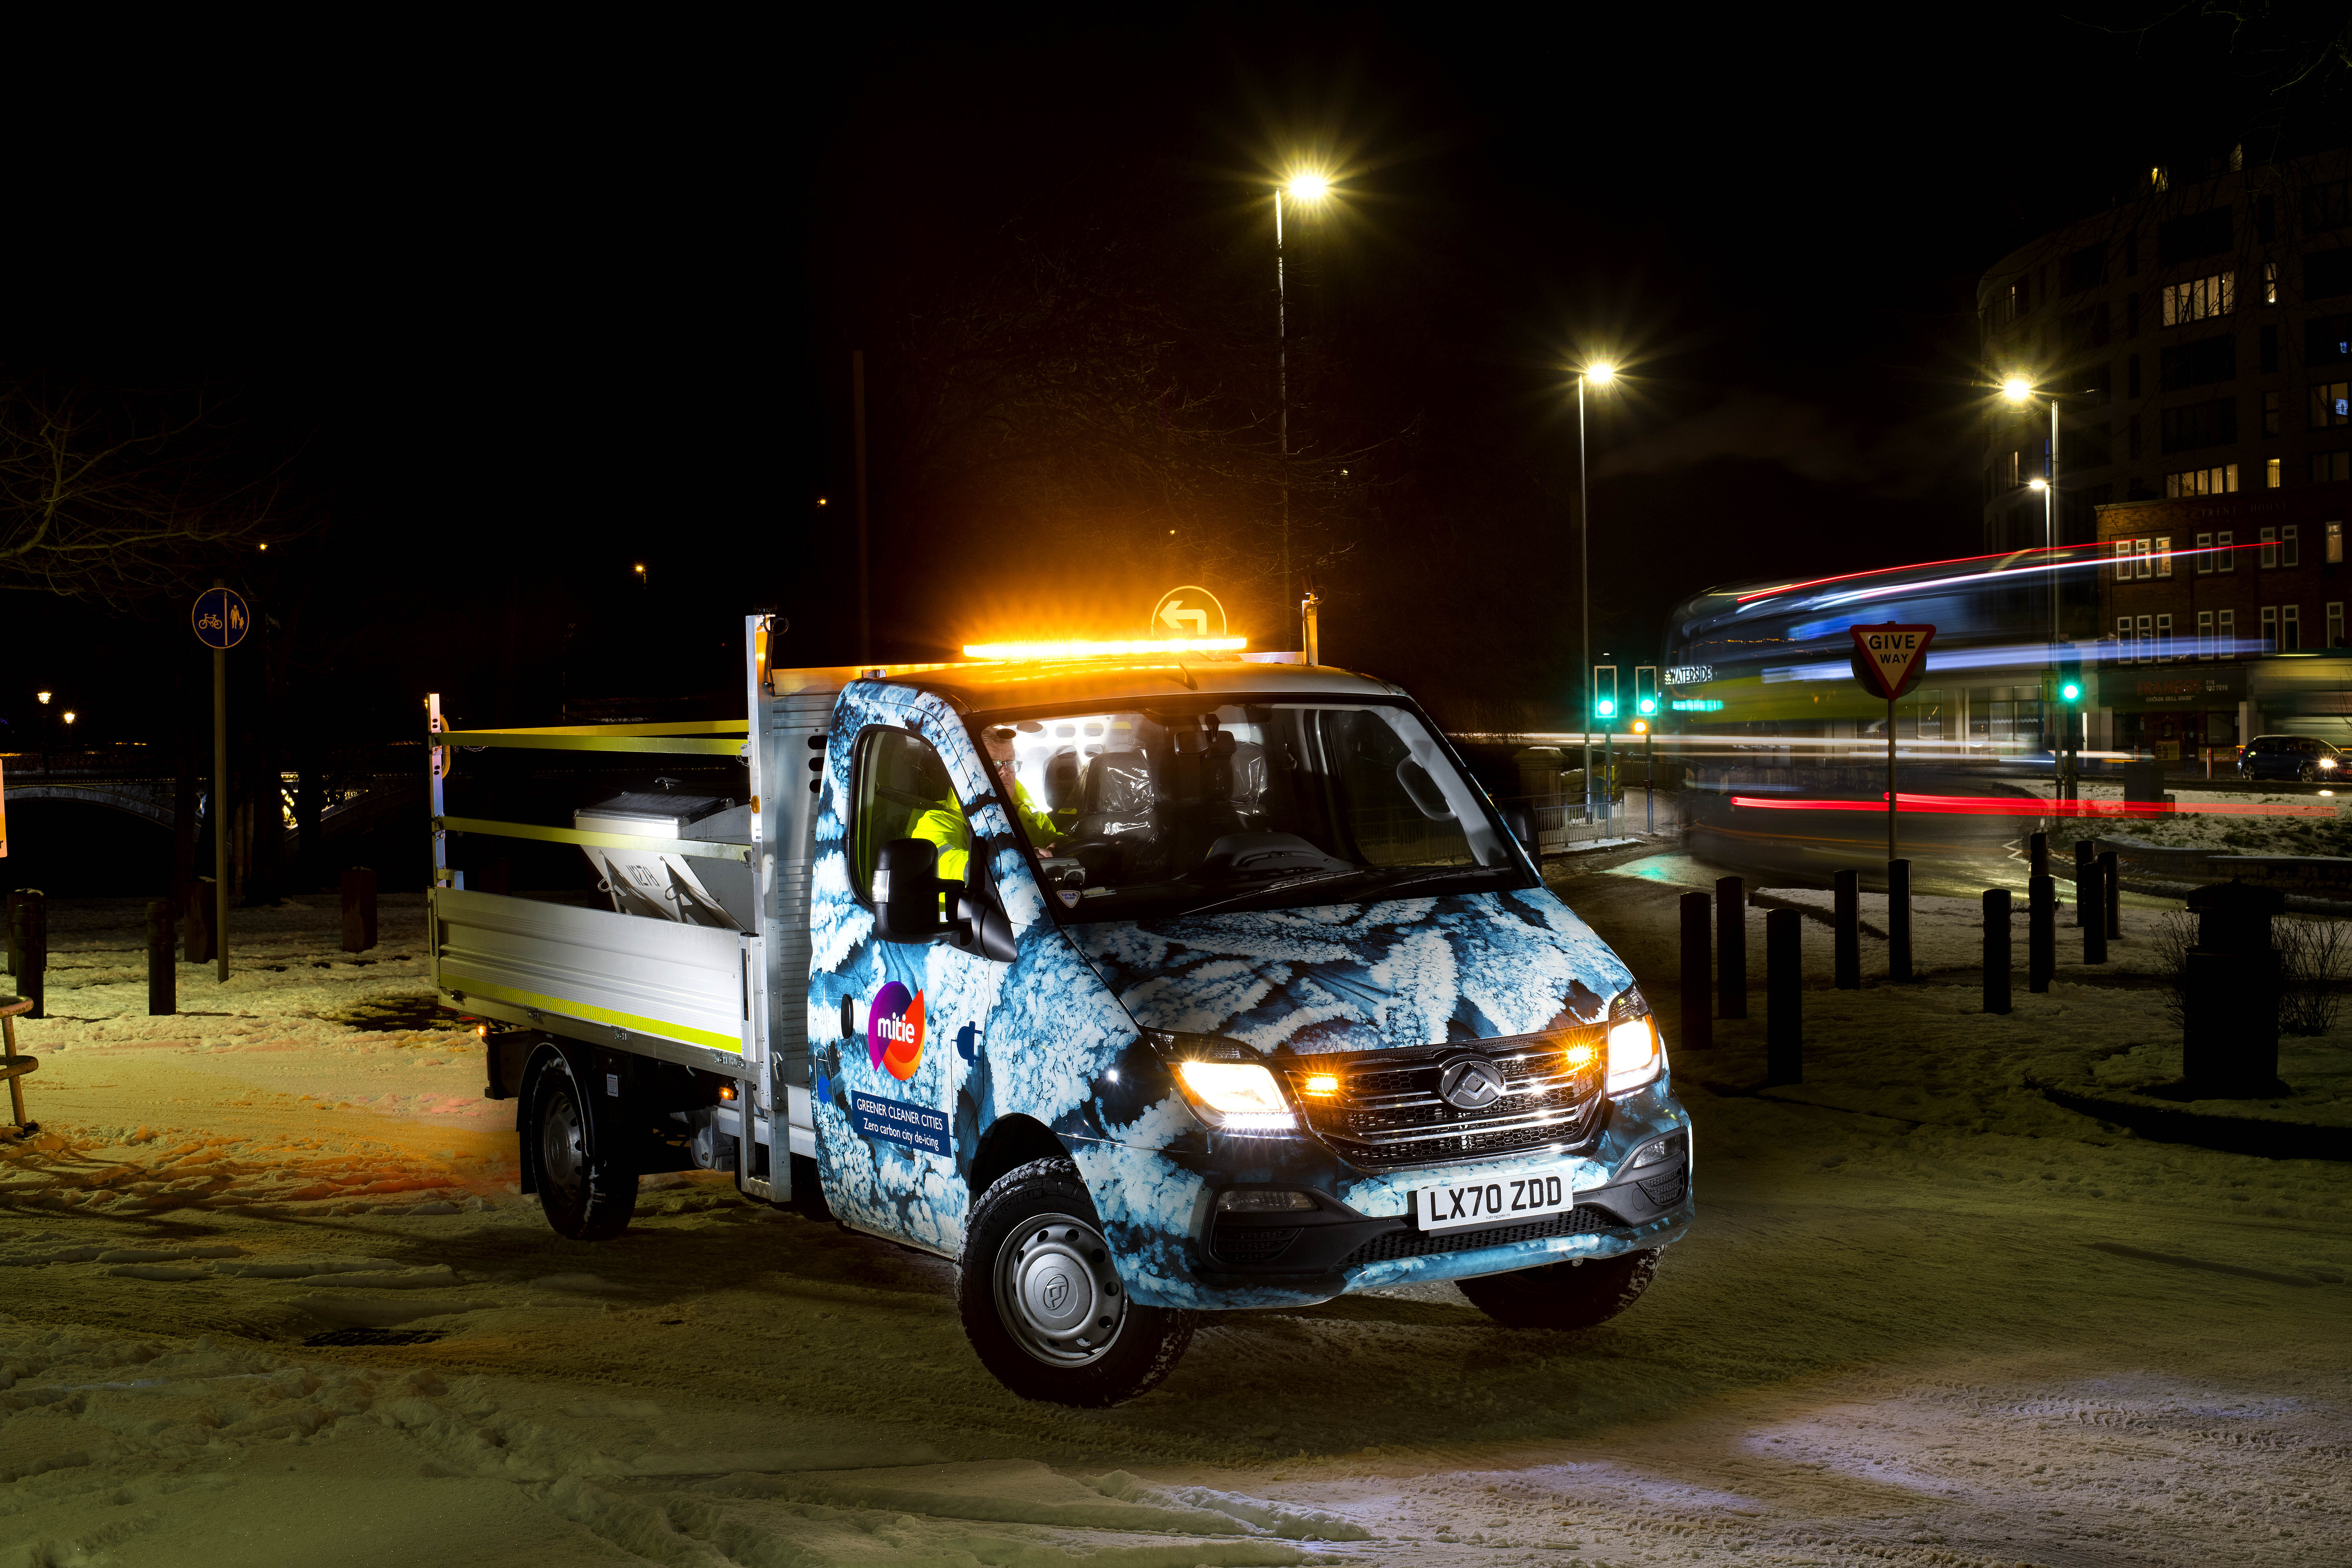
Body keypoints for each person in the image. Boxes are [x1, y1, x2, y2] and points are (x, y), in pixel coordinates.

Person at [906, 726, 1062, 884]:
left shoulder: (1036, 820)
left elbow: (1072, 846)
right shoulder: (937, 822)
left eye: (1010, 763)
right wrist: (1017, 860)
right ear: (967, 771)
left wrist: (1058, 850)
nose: (1005, 772)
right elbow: (945, 865)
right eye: (994, 764)